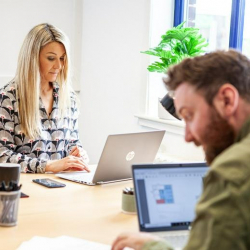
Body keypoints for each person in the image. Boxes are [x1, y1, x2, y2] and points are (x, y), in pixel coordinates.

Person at [112, 49, 250, 250]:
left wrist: (154, 246)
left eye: (189, 116)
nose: (188, 136)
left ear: (227, 100)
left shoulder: (233, 171)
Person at [0, 23, 90, 173]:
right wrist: (48, 166)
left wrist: (78, 153)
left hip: (63, 187)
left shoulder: (69, 97)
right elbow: (2, 156)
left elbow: (72, 142)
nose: (59, 66)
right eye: (51, 58)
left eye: (62, 58)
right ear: (32, 58)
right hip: (26, 189)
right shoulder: (8, 98)